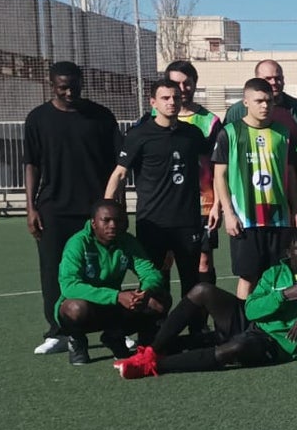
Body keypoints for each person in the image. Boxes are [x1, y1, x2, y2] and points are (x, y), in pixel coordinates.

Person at [114, 228, 297, 379]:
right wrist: (283, 296)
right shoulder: (274, 273)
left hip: (277, 342)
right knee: (201, 290)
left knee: (235, 348)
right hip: (251, 321)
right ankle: (151, 351)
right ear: (289, 252)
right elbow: (251, 308)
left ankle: (155, 366)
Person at [24, 61, 121, 355]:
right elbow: (31, 164)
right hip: (53, 208)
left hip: (94, 211)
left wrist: (114, 205)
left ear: (82, 83)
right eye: (62, 87)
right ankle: (59, 332)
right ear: (51, 85)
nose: (69, 92)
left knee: (101, 271)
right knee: (52, 270)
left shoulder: (102, 117)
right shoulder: (38, 118)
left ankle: (111, 329)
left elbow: (117, 166)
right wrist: (30, 207)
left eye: (74, 86)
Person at [104, 78, 210, 307]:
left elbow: (211, 169)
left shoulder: (193, 134)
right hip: (152, 222)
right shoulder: (138, 135)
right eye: (165, 98)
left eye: (176, 97)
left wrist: (217, 203)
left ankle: (196, 331)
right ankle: (153, 335)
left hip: (188, 222)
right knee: (154, 281)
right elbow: (119, 174)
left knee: (192, 282)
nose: (172, 102)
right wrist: (105, 210)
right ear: (153, 102)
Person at [56, 200, 169, 365]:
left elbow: (150, 272)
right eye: (106, 220)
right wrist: (116, 296)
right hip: (88, 306)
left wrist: (145, 292)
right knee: (75, 308)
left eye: (118, 220)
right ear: (93, 223)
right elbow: (70, 287)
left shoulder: (127, 241)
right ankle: (77, 339)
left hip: (113, 305)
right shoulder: (78, 243)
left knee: (159, 301)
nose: (113, 225)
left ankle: (117, 336)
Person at [213, 78, 294, 298]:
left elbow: (290, 174)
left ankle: (273, 327)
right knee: (248, 277)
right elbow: (219, 176)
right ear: (246, 102)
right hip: (245, 217)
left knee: (278, 275)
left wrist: (294, 210)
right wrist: (228, 213)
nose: (265, 106)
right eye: (259, 101)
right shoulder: (229, 133)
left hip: (278, 218)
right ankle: (243, 328)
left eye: (269, 101)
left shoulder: (283, 133)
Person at [163, 60, 223, 287]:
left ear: (195, 85)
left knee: (203, 263)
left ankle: (202, 320)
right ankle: (162, 321)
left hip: (203, 205)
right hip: (166, 206)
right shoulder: (152, 119)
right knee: (164, 262)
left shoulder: (210, 122)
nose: (181, 89)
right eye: (175, 83)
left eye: (187, 83)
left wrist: (218, 203)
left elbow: (219, 166)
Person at [223, 59, 297, 150]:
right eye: (268, 79)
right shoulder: (238, 111)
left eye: (278, 78)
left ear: (283, 80)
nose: (273, 82)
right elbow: (225, 147)